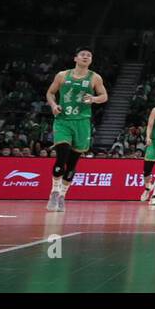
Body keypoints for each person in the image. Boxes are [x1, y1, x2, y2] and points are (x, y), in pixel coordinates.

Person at [43, 49, 109, 212]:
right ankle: (54, 191)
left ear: (91, 60)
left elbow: (104, 96)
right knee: (61, 156)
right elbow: (50, 93)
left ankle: (62, 196)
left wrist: (93, 99)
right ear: (75, 58)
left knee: (72, 164)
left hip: (82, 123)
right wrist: (53, 105)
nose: (86, 57)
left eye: (89, 56)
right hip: (63, 121)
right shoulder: (62, 75)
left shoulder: (94, 77)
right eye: (82, 55)